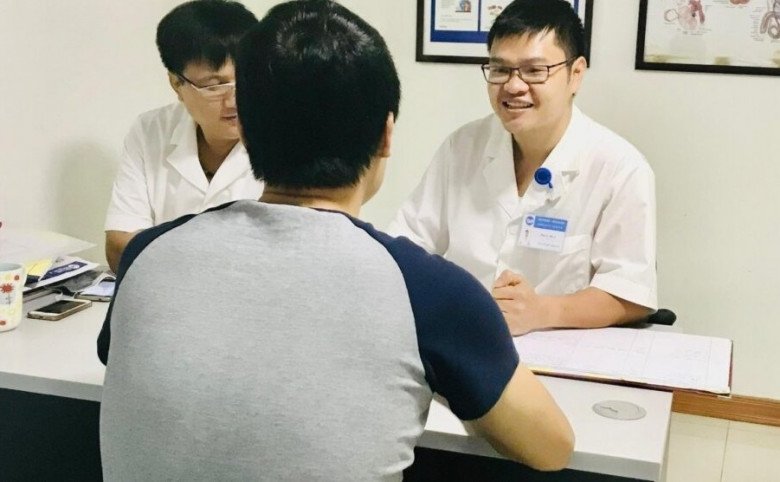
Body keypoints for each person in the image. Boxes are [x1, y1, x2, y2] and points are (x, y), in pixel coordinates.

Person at [96, 0, 573, 479]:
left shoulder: (145, 254)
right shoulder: (430, 293)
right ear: (386, 135)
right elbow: (551, 448)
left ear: (246, 128)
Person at [389, 0, 657, 336]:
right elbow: (408, 244)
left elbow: (631, 294)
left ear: (575, 74)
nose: (514, 86)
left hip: (561, 352)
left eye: (534, 70)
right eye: (500, 69)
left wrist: (543, 311)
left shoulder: (620, 167)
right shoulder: (463, 147)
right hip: (464, 342)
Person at [103, 0, 263, 273]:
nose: (234, 100)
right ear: (176, 83)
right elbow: (120, 246)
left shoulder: (286, 132)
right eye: (214, 86)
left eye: (246, 80)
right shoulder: (151, 130)